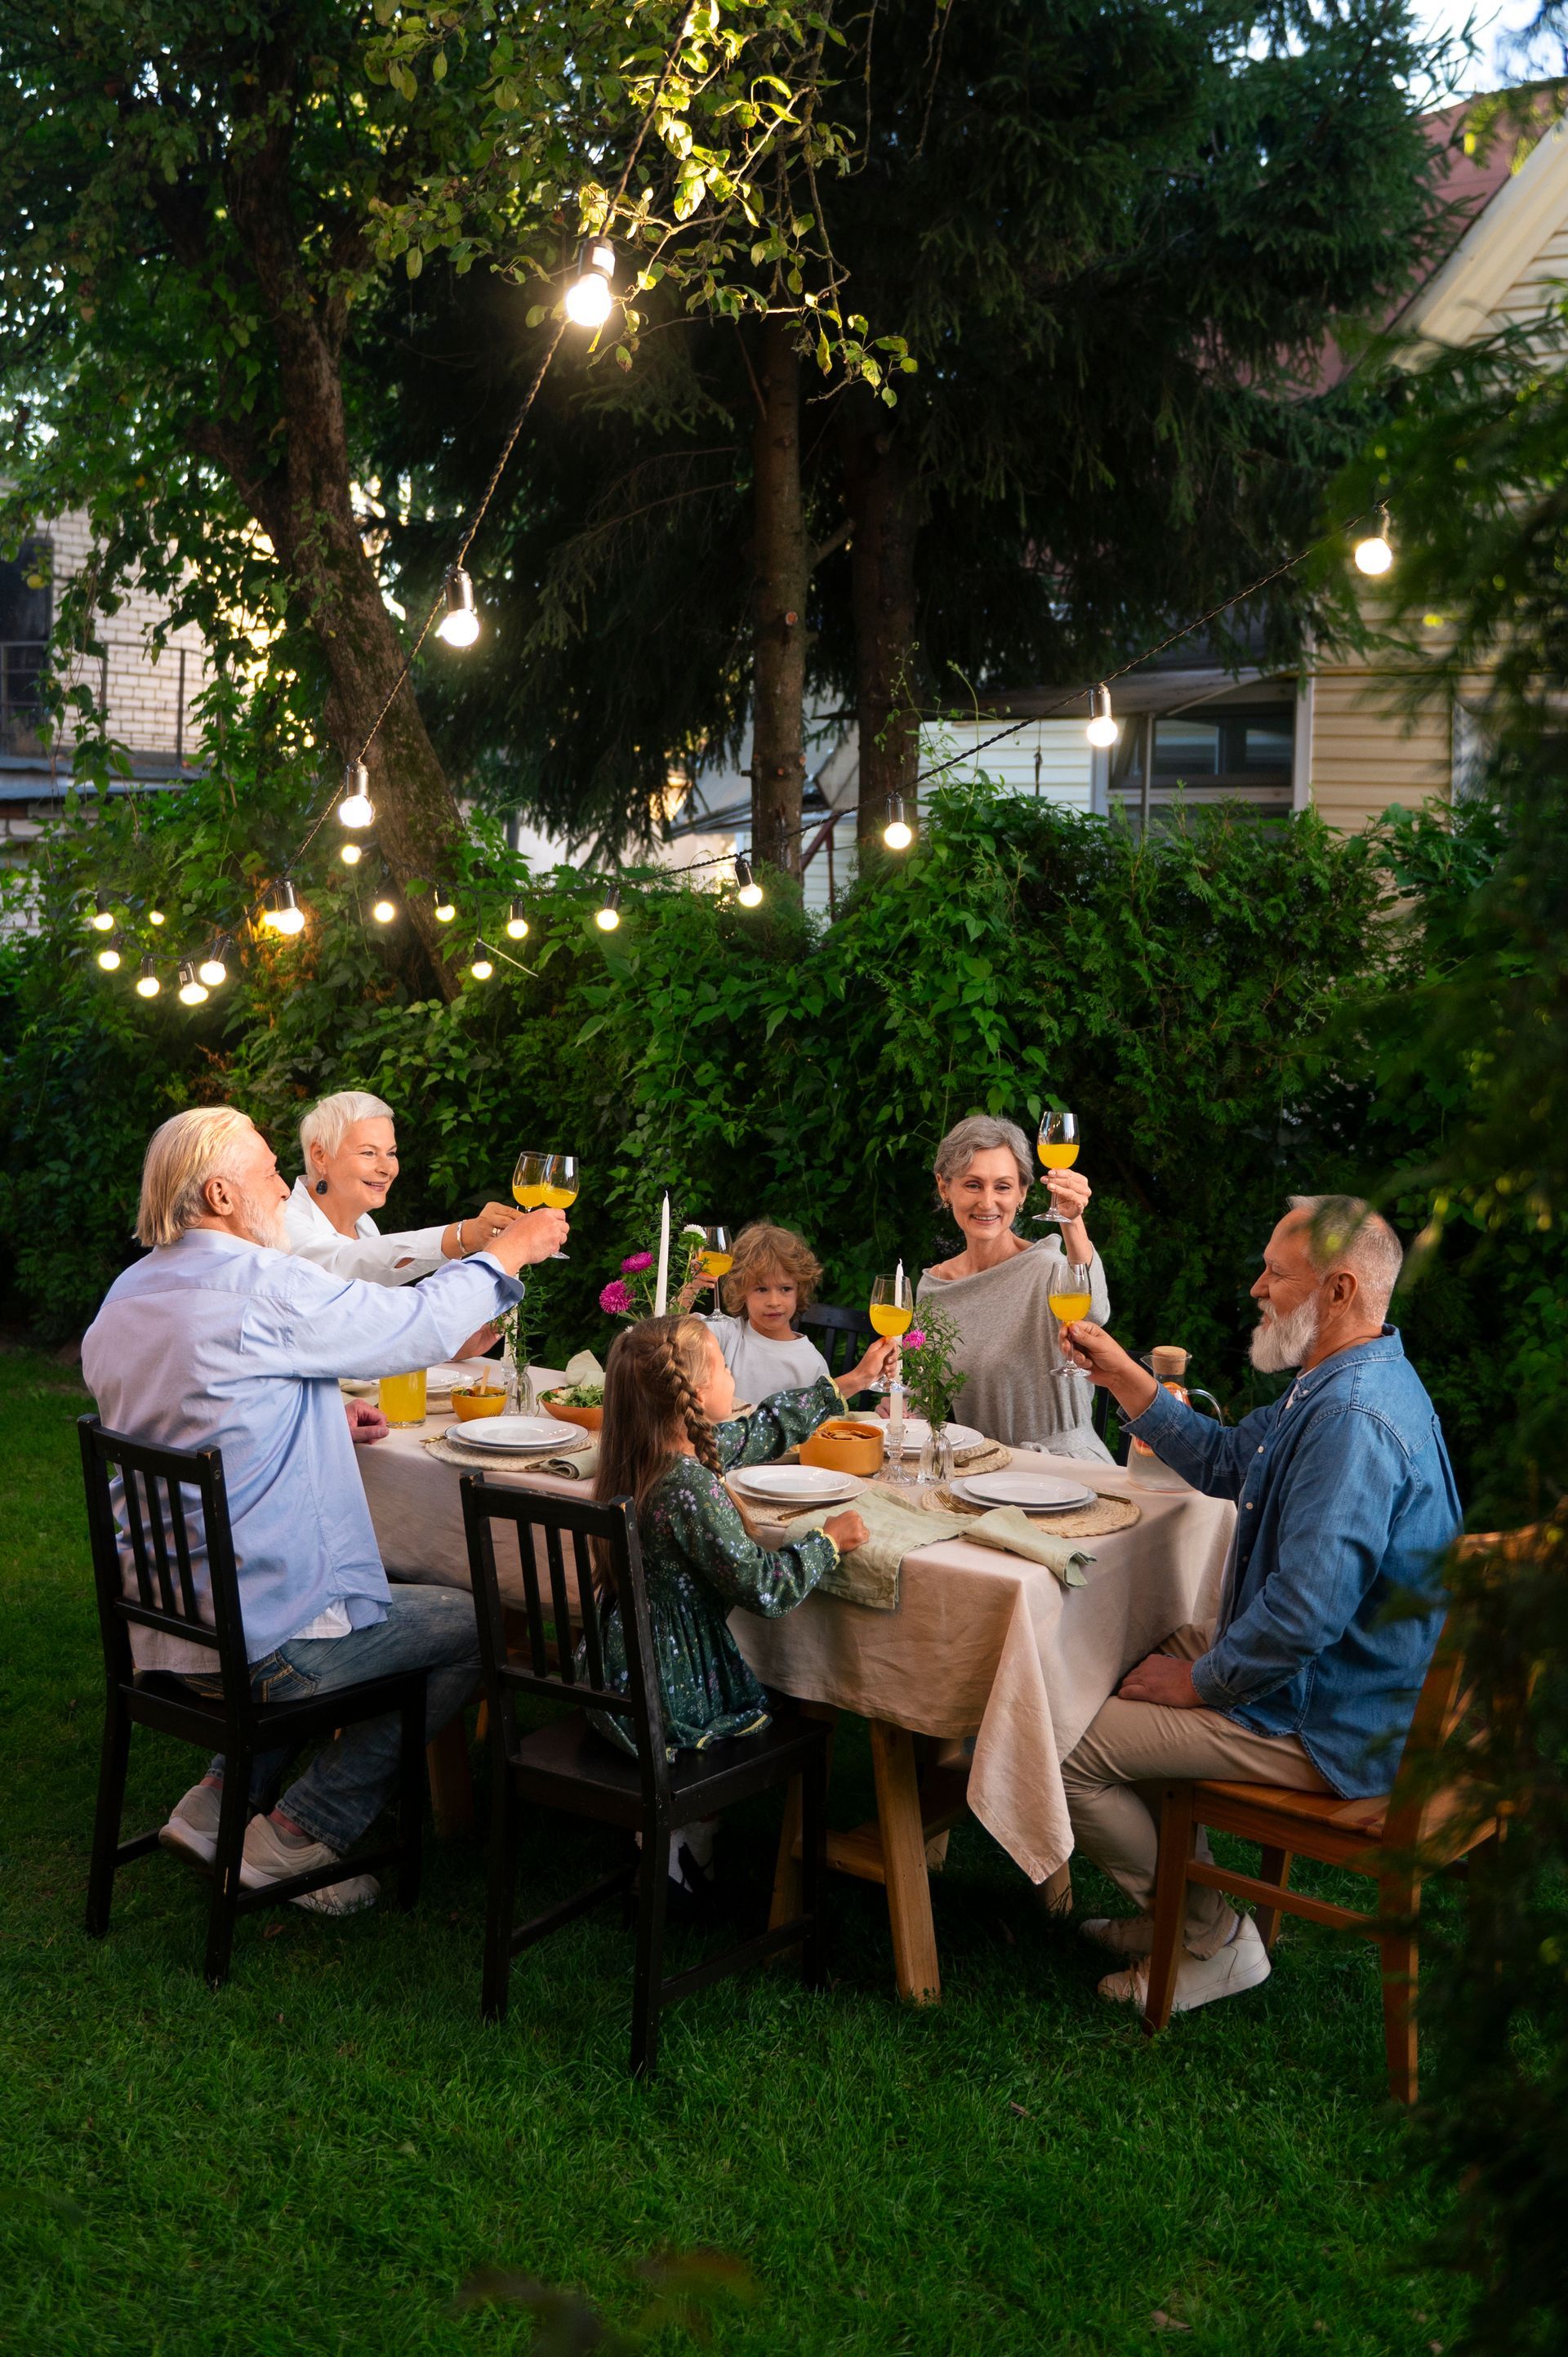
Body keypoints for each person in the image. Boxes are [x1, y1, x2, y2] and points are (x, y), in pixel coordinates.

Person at [80, 1106, 569, 1916]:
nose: (286, 1184)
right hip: (263, 1639)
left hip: (163, 1624)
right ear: (221, 1194)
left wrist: (302, 1410)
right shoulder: (260, 1284)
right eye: (271, 1170)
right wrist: (505, 1253)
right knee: (484, 1620)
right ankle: (301, 1832)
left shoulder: (130, 1292)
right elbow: (412, 1326)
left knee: (360, 1592)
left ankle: (215, 1804)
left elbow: (180, 1405)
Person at [1057, 1194, 1461, 2013]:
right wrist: (1131, 1382)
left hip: (1336, 1716)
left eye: (1276, 1273)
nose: (1256, 1289)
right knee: (1119, 1648)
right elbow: (1228, 1458)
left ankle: (1209, 1935)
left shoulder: (1351, 1416)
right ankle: (1173, 1905)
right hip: (1350, 1682)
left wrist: (1201, 1684)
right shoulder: (1350, 1373)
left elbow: (1306, 1616)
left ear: (1339, 1290)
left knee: (1066, 1747)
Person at [591, 1315, 868, 1894]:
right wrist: (827, 1542)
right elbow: (765, 1589)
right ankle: (681, 1853)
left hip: (615, 1673)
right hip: (672, 1691)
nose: (733, 1373)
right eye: (722, 1365)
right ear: (693, 1393)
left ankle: (676, 1845)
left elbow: (756, 1435)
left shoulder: (639, 1455)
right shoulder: (688, 1487)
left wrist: (849, 1382)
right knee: (779, 1701)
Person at [915, 1114, 1112, 1458]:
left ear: (1022, 1192)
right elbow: (924, 1397)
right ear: (945, 1188)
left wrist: (1072, 1219)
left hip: (1066, 1467)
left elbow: (1095, 1311)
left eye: (1003, 1186)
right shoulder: (934, 1288)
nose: (987, 1202)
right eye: (973, 1185)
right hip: (982, 1469)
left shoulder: (1047, 1268)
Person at [283, 1088, 521, 1285]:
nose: (387, 1169)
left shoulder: (363, 1224)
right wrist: (465, 1235)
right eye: (368, 1153)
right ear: (320, 1156)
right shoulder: (286, 1225)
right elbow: (347, 1263)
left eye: (391, 1153)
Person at [696, 1220, 896, 1403]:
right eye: (761, 1289)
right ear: (742, 1292)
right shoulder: (723, 1335)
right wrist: (689, 1290)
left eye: (785, 1289)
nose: (774, 1302)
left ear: (799, 1290)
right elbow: (667, 1337)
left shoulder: (811, 1361)